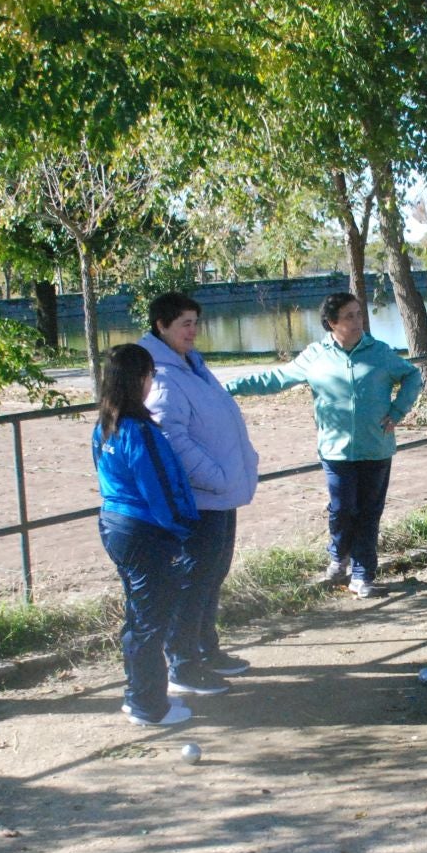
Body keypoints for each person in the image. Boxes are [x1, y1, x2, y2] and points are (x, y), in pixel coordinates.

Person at [226, 292, 421, 599]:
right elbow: (276, 378)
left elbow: (412, 376)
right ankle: (338, 554)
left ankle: (362, 575)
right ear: (331, 323)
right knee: (343, 510)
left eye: (359, 314)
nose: (358, 322)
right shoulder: (315, 356)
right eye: (349, 316)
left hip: (376, 448)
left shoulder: (379, 352)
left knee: (369, 513)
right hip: (336, 451)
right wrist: (231, 387)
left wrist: (397, 412)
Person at [140, 291, 260, 698]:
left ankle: (207, 649)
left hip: (220, 493)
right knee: (195, 579)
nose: (193, 331)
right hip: (201, 498)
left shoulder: (192, 364)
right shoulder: (162, 375)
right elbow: (171, 438)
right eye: (184, 324)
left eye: (195, 322)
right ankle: (183, 663)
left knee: (213, 575)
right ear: (162, 327)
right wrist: (216, 475)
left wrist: (238, 467)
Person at [94, 344, 199, 727]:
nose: (151, 381)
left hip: (116, 525)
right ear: (139, 378)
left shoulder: (106, 425)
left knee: (139, 614)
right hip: (142, 530)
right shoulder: (139, 430)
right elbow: (157, 487)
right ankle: (148, 705)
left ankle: (137, 695)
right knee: (151, 619)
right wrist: (181, 529)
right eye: (150, 375)